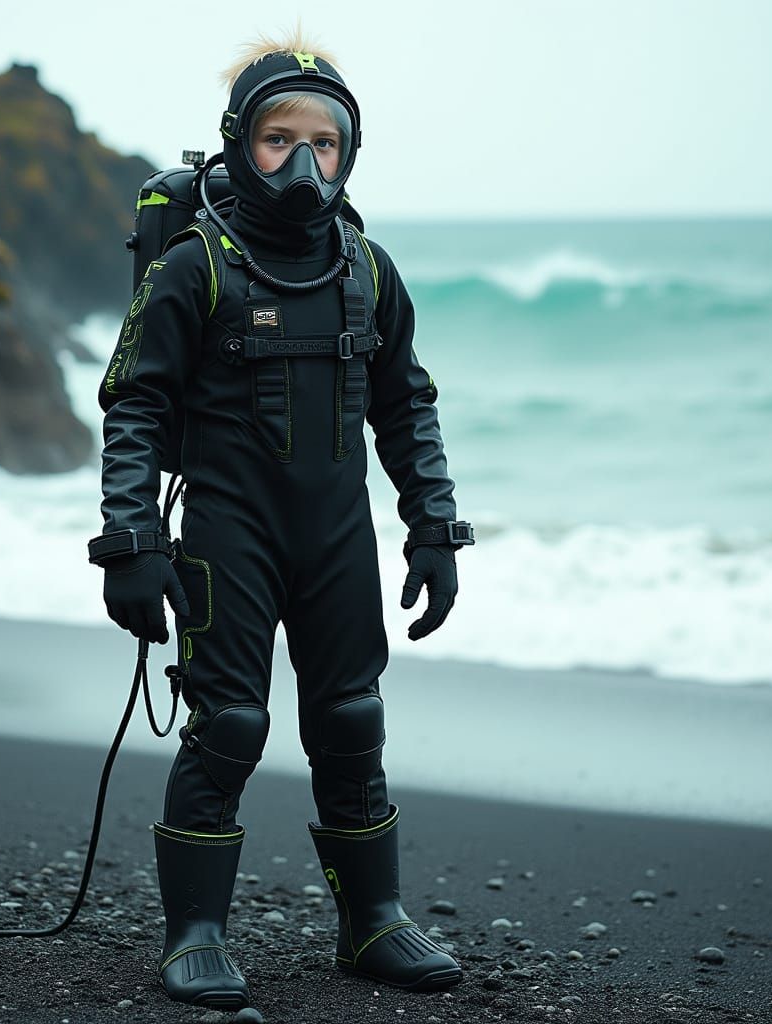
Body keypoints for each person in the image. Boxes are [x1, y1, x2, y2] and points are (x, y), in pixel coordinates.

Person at [90, 31, 473, 1011]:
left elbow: (407, 403)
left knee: (350, 721)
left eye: (325, 143)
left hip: (337, 536)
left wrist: (432, 525)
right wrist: (130, 544)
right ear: (236, 143)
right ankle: (196, 934)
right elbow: (133, 402)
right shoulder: (193, 266)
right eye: (276, 139)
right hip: (229, 534)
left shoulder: (366, 269)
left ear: (349, 153)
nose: (303, 162)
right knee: (229, 724)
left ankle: (373, 919)